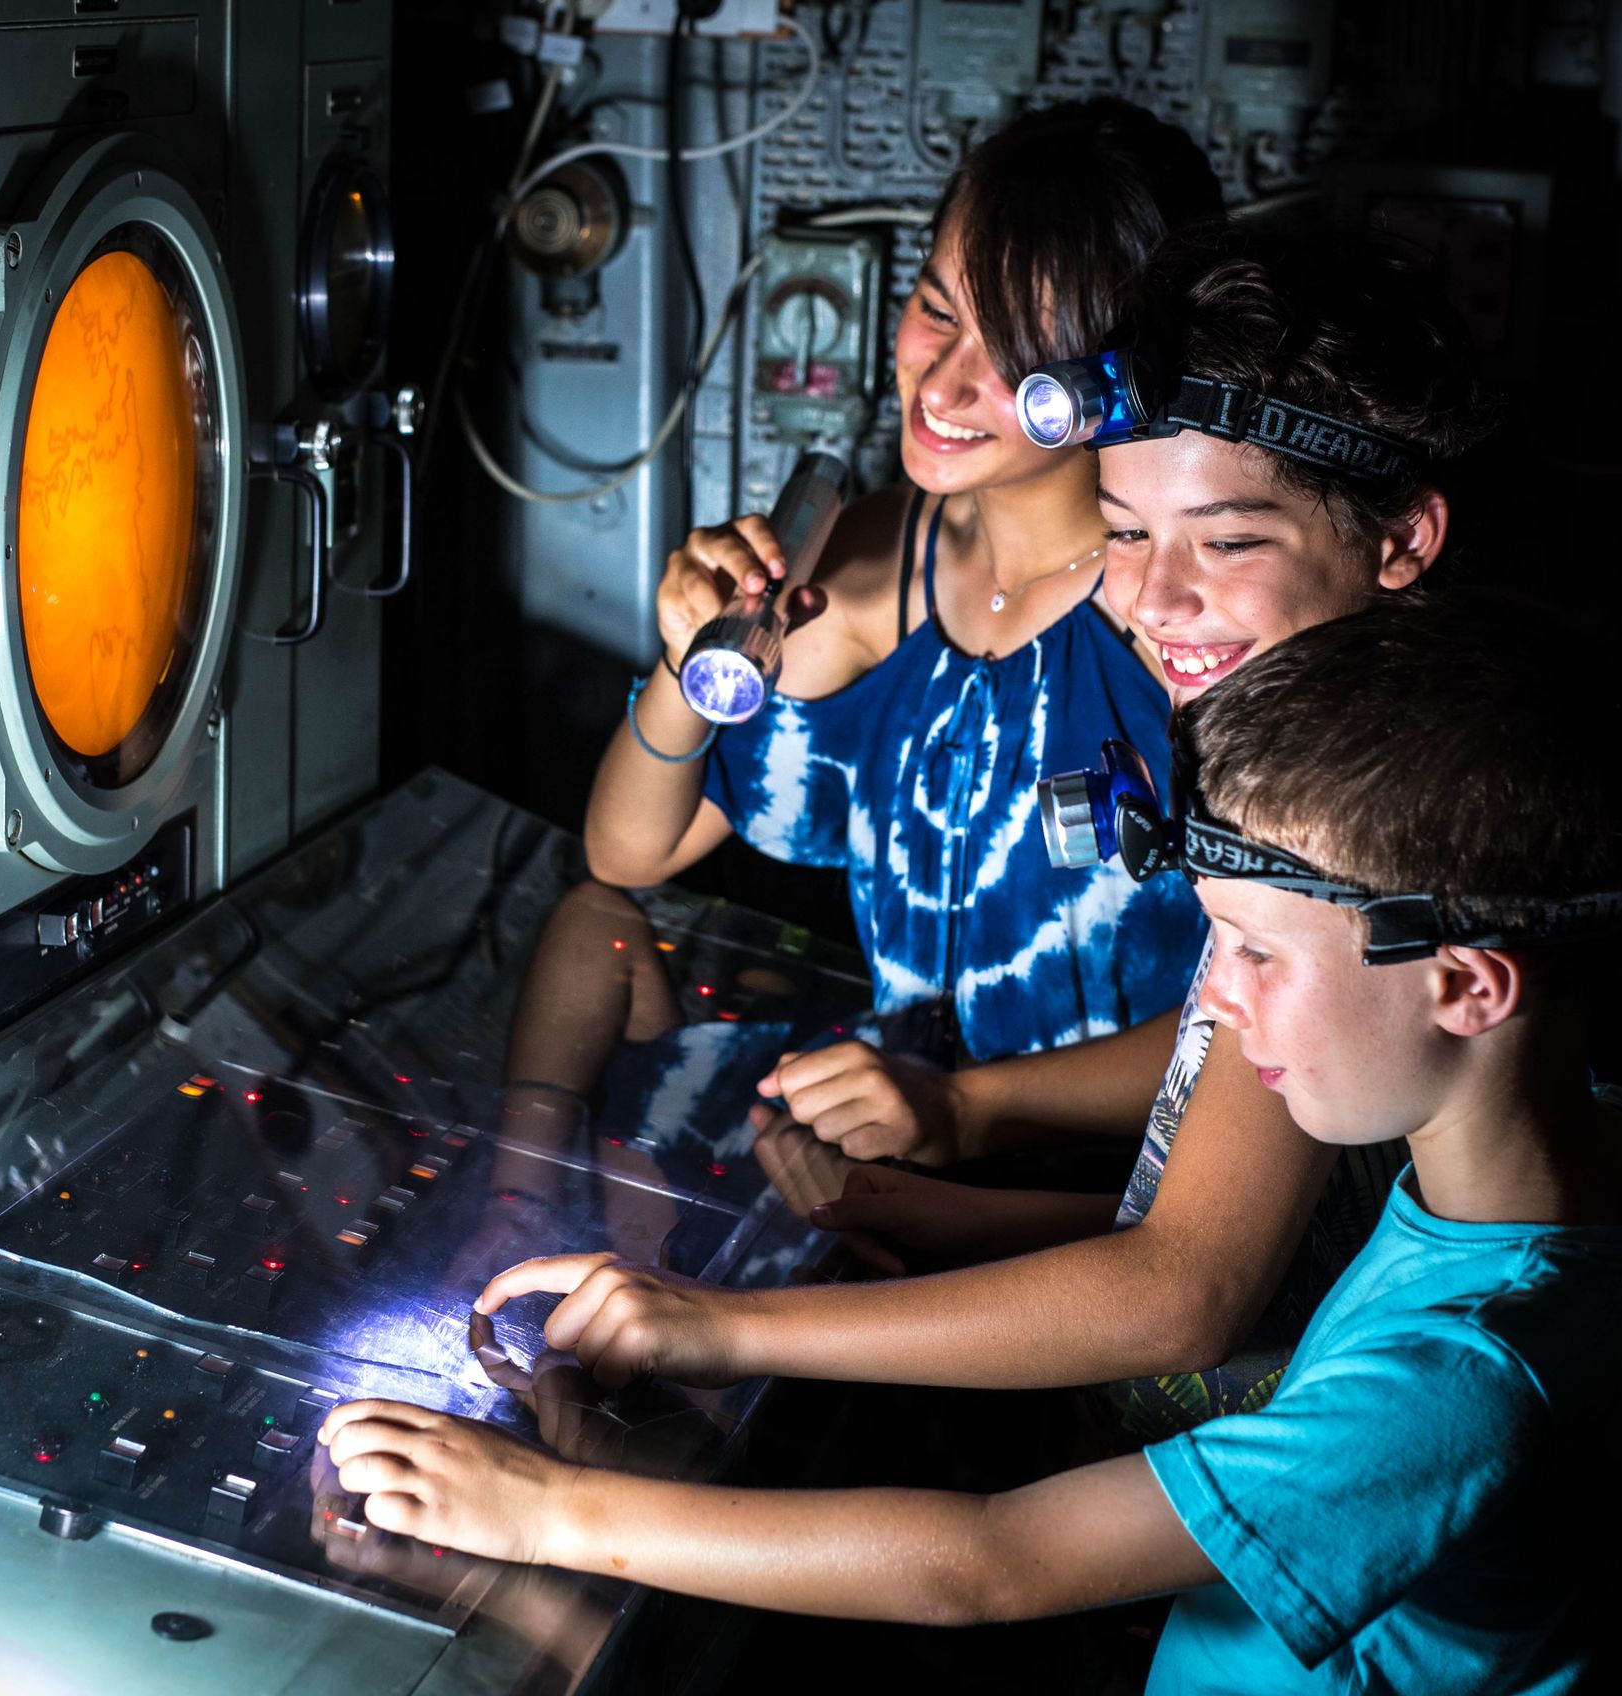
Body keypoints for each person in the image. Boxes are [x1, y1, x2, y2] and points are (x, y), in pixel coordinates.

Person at [323, 591, 1622, 1691]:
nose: (1210, 1001)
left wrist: (544, 1517)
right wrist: (755, 1306)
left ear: (1466, 985)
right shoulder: (1588, 1159)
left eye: (1255, 951)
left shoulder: (1470, 1380)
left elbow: (984, 1566)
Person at [485, 218, 1502, 1437]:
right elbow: (1198, 1199)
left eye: (1228, 540)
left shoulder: (1367, 826)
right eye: (1123, 534)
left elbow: (1181, 1296)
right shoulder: (1287, 758)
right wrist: (918, 1208)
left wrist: (707, 1325)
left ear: (1403, 541)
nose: (1150, 597)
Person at [503, 98, 1225, 1195]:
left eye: (1016, 357)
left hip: (1112, 1196)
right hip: (883, 1153)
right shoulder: (871, 564)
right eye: (938, 309)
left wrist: (967, 1112)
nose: (942, 386)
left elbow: (1254, 1038)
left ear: (1120, 381)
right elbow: (624, 859)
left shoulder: (1185, 624)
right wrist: (692, 660)